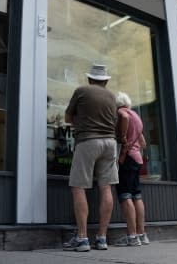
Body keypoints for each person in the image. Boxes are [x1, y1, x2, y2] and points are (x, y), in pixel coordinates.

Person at [62, 64, 118, 252]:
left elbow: (67, 118)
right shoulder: (112, 96)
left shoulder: (82, 91)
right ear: (106, 81)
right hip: (110, 143)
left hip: (88, 141)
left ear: (89, 79)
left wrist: (81, 121)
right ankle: (102, 238)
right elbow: (115, 121)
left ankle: (83, 238)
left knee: (79, 187)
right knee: (106, 187)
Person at [113, 92, 149, 247]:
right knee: (137, 195)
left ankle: (132, 236)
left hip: (126, 158)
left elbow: (124, 119)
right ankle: (142, 234)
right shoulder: (136, 115)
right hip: (137, 158)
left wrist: (121, 138)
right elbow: (144, 143)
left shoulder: (122, 113)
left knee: (125, 195)